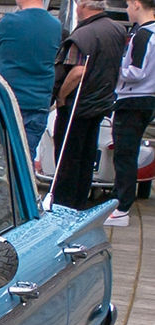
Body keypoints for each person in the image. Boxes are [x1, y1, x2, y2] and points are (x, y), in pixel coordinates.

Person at [51, 0, 128, 209]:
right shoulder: (117, 29)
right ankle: (80, 202)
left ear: (83, 5)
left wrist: (61, 96)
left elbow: (78, 71)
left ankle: (63, 205)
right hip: (100, 102)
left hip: (77, 104)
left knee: (67, 158)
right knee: (86, 156)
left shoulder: (83, 35)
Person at [0, 0, 64, 156]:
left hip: (7, 98)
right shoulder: (55, 25)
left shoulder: (10, 21)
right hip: (39, 100)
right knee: (26, 157)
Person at [109, 0, 155, 224]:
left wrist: (114, 69)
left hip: (133, 99)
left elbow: (136, 71)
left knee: (124, 154)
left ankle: (121, 206)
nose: (127, 9)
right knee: (127, 152)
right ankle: (120, 201)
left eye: (128, 4)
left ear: (137, 4)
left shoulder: (143, 35)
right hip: (146, 99)